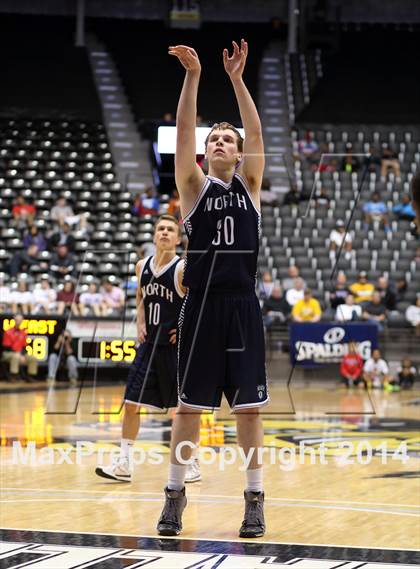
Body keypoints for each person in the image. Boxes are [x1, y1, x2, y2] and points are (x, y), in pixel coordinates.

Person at [157, 40, 267, 538]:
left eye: (228, 138)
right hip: (200, 307)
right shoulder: (193, 188)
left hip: (242, 306)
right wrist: (194, 76)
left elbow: (256, 132)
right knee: (188, 410)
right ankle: (175, 495)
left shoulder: (250, 185)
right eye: (215, 139)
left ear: (240, 152)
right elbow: (184, 134)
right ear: (205, 153)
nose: (220, 142)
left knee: (248, 410)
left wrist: (239, 80)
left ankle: (254, 499)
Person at [96, 215, 200, 483]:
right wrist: (140, 321)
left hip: (177, 349)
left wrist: (186, 328)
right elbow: (140, 297)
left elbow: (200, 304)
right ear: (154, 236)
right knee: (130, 404)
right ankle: (124, 463)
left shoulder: (181, 269)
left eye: (170, 230)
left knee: (184, 410)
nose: (165, 233)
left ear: (178, 239)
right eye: (160, 229)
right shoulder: (141, 266)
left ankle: (191, 461)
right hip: (149, 345)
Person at [2, 314, 38, 382]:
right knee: (16, 356)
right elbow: (7, 347)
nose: (18, 322)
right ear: (14, 321)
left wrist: (22, 355)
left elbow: (24, 347)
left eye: (20, 320)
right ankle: (13, 376)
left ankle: (30, 376)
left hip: (20, 354)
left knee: (32, 357)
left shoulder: (23, 332)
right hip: (8, 353)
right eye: (17, 320)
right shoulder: (8, 332)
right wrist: (19, 355)